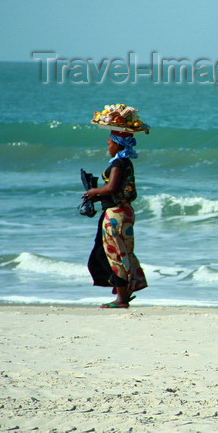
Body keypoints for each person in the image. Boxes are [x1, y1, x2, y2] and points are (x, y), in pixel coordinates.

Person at [82, 130, 147, 308]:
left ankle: (121, 299)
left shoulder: (118, 163)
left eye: (109, 143)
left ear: (117, 145)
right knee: (122, 252)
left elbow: (110, 188)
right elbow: (115, 190)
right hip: (123, 212)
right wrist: (98, 196)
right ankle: (124, 292)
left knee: (114, 254)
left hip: (116, 214)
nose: (108, 146)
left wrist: (94, 191)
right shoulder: (124, 162)